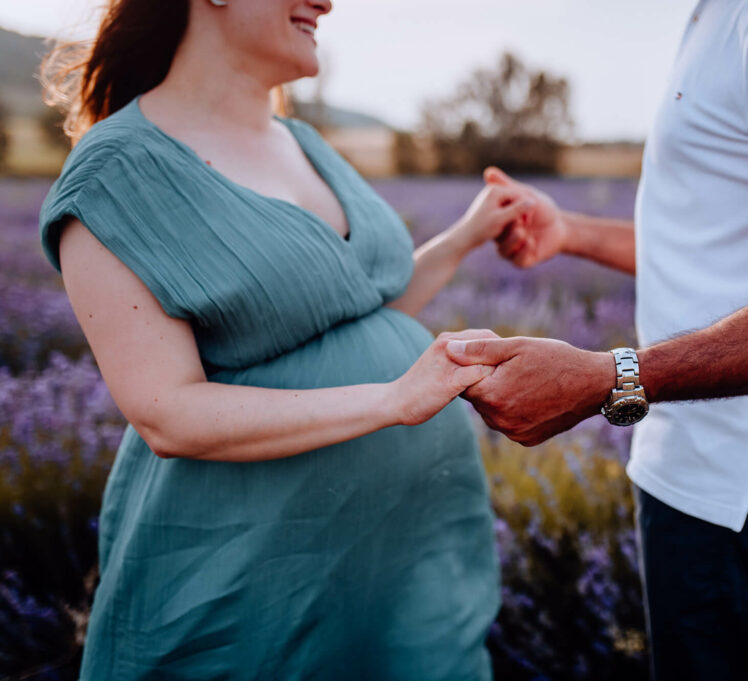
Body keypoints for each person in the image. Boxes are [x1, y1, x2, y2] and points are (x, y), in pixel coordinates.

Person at [446, 1, 748, 679]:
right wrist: (572, 233)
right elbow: (713, 242)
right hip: (703, 466)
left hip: (739, 483)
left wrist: (608, 378)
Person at [37, 0, 527, 678]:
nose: (328, 1)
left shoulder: (305, 143)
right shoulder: (115, 174)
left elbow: (349, 310)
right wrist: (392, 400)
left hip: (402, 556)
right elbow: (168, 413)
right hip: (253, 575)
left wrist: (466, 235)